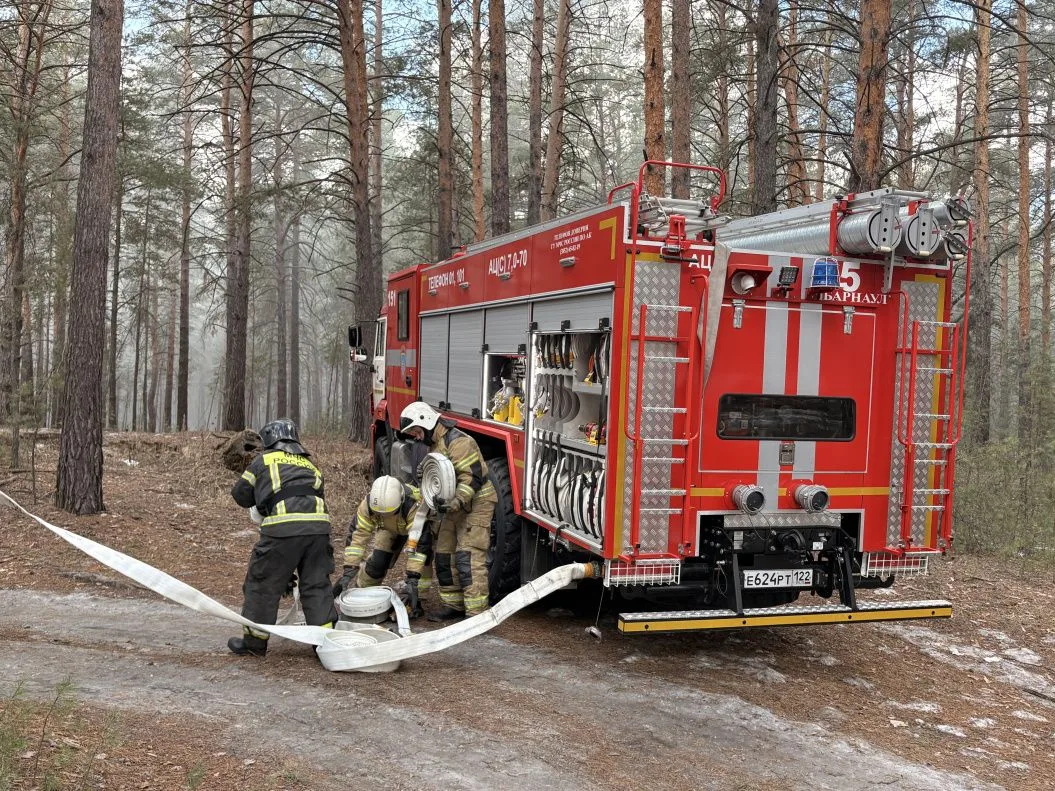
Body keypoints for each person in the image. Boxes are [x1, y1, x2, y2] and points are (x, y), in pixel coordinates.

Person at [227, 418, 338, 656]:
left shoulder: (262, 461)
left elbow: (240, 495)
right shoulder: (311, 466)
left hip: (282, 530)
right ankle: (326, 645)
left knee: (263, 584)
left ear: (268, 441)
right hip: (319, 531)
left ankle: (254, 644)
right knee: (316, 585)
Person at [398, 401, 496, 621]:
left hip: (476, 503)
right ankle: (453, 605)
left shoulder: (459, 442)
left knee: (468, 556)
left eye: (414, 430)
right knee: (443, 553)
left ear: (426, 422)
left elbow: (472, 477)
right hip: (454, 506)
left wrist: (455, 502)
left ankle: (476, 614)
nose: (415, 436)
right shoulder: (436, 444)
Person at [332, 474, 433, 617]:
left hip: (415, 527)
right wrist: (348, 571)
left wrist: (412, 578)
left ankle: (417, 598)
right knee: (378, 562)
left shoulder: (413, 505)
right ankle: (363, 592)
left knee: (423, 560)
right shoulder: (368, 505)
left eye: (390, 513)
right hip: (388, 529)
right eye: (380, 514)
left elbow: (419, 543)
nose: (385, 516)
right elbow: (358, 537)